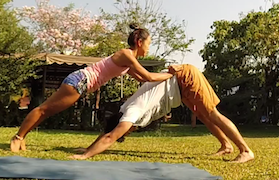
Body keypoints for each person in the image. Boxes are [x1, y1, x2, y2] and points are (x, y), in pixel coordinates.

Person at [10, 24, 173, 152]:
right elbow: (149, 76)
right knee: (45, 109)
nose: (149, 48)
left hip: (81, 82)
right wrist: (171, 74)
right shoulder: (126, 55)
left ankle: (22, 137)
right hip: (80, 80)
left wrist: (164, 78)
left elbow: (142, 79)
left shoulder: (128, 60)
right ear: (139, 42)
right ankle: (18, 137)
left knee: (47, 111)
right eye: (149, 44)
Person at [69, 64, 255, 163]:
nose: (127, 133)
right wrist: (88, 148)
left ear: (123, 124)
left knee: (213, 114)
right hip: (181, 89)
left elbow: (110, 136)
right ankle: (226, 146)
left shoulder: (131, 112)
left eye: (124, 132)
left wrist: (85, 156)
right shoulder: (124, 110)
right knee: (204, 116)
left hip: (186, 79)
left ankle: (245, 151)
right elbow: (109, 131)